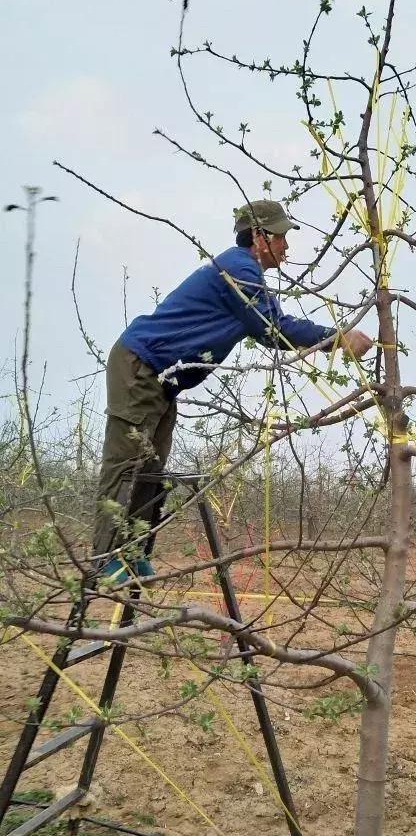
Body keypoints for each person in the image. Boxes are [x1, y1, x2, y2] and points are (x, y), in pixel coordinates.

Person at [92, 199, 372, 579]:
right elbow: (272, 328)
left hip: (158, 376)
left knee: (151, 465)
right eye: (281, 236)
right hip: (140, 365)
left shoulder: (244, 271)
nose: (287, 246)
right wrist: (337, 337)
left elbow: (268, 324)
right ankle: (106, 559)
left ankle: (132, 551)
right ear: (259, 236)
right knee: (128, 463)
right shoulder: (239, 269)